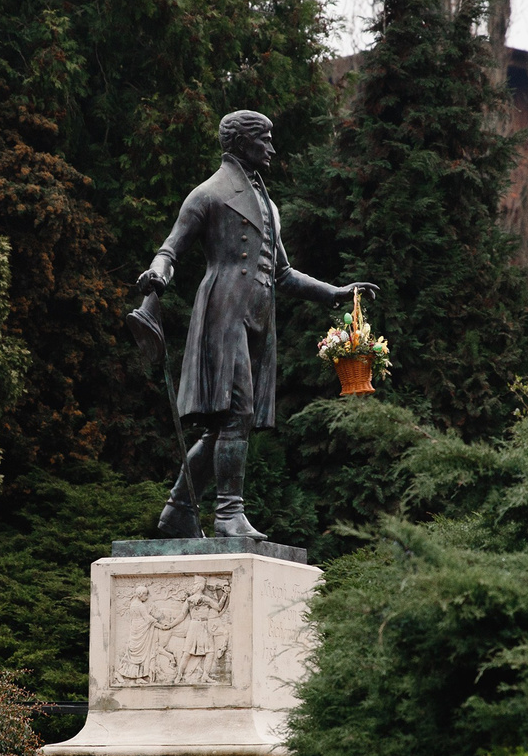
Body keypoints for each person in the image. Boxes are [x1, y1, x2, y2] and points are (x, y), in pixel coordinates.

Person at [138, 111, 376, 540]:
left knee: (225, 423)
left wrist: (335, 292)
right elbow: (170, 250)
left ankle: (178, 510)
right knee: (237, 414)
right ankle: (228, 513)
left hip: (258, 321)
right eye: (264, 140)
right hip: (223, 313)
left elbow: (282, 273)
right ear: (241, 142)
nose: (271, 148)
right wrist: (157, 274)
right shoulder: (209, 193)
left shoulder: (267, 203)